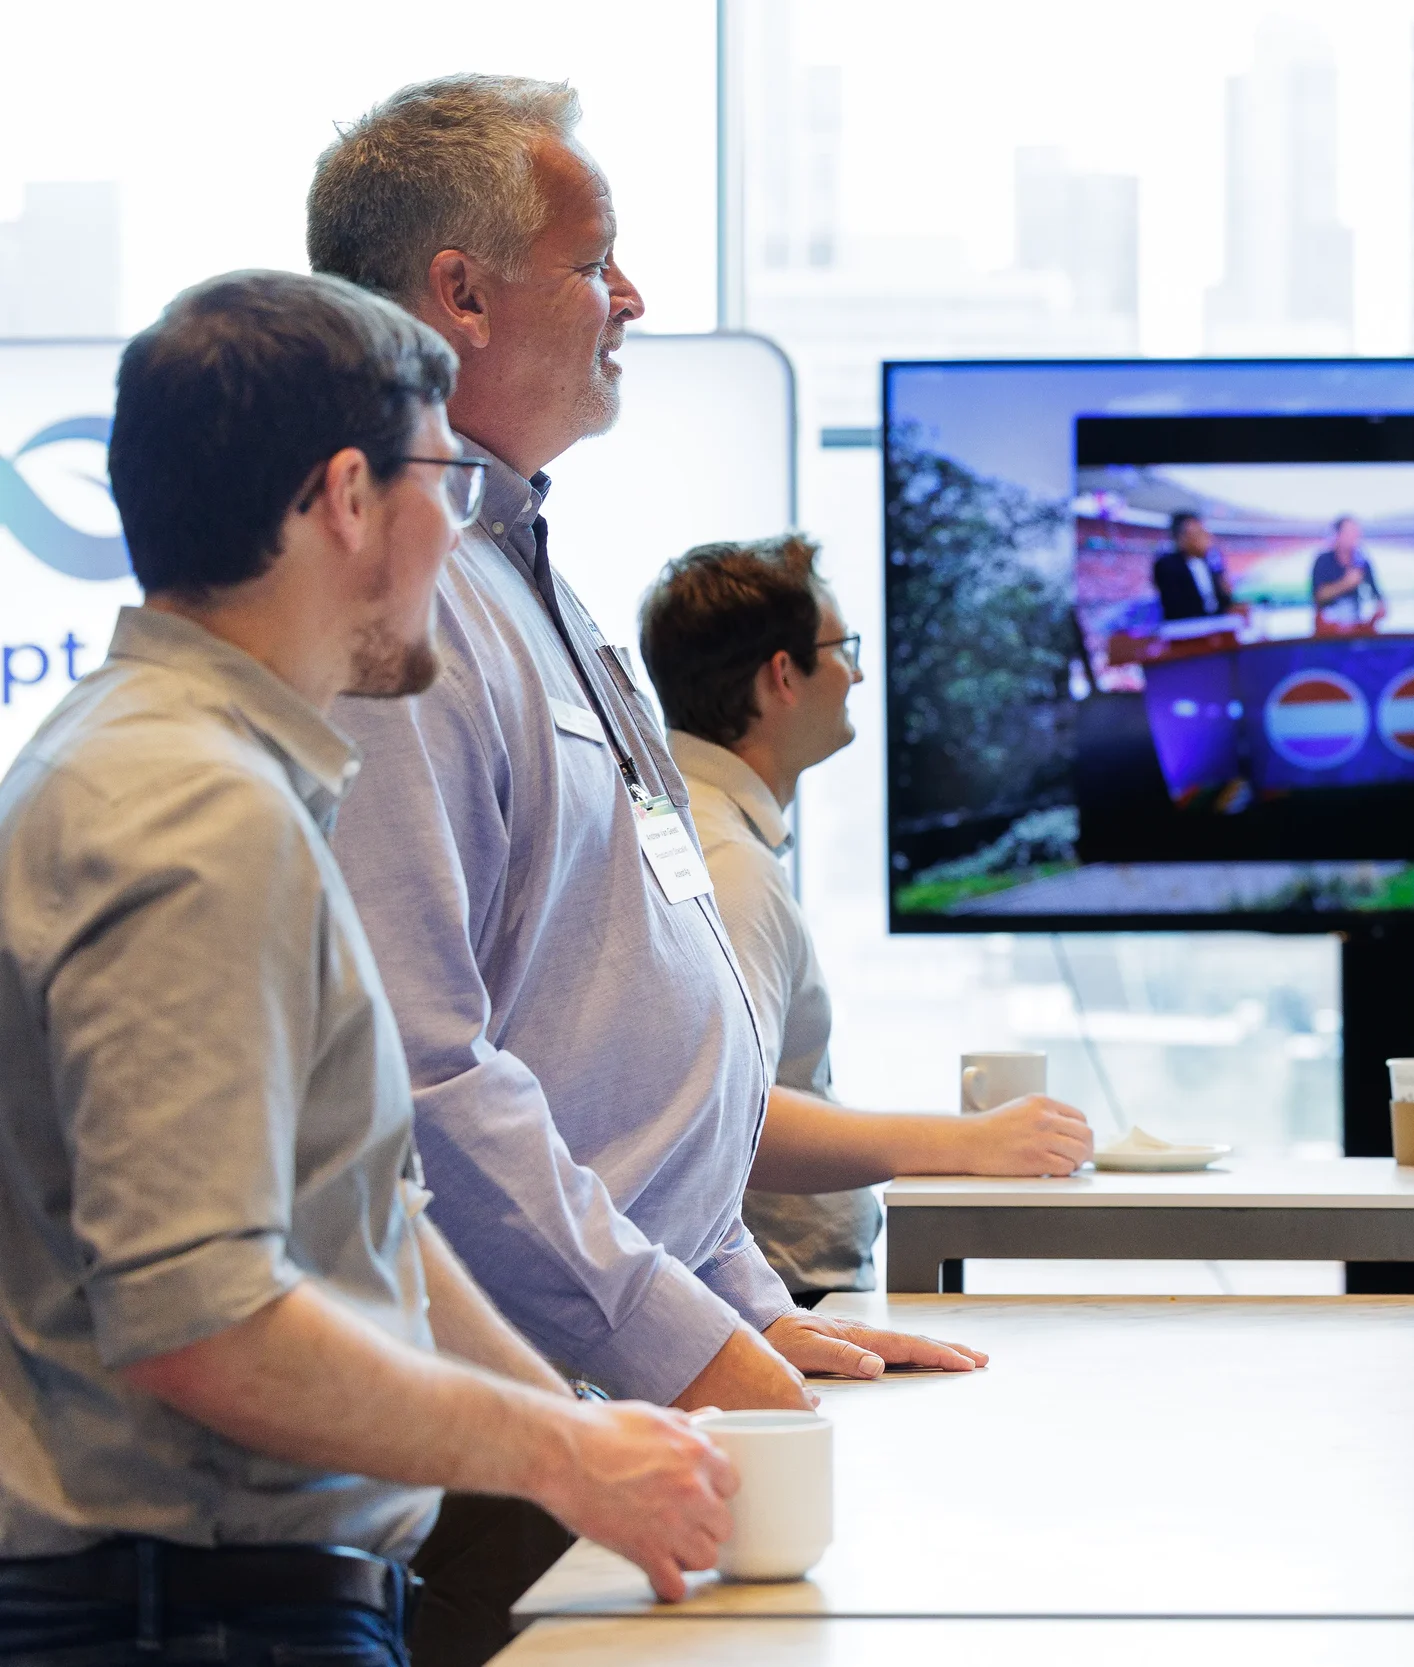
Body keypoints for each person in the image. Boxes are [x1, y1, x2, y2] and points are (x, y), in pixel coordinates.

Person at [306, 75, 981, 1667]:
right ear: (460, 295)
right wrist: (692, 1345)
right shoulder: (393, 612)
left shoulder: (530, 572)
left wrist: (746, 1292)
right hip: (531, 1413)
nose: (635, 299)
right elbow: (428, 1072)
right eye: (596, 258)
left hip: (640, 1364)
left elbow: (621, 1009)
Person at [0, 271, 738, 1665]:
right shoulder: (186, 810)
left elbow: (369, 1215)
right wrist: (564, 1453)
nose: (453, 538)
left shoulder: (208, 773)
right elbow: (203, 1324)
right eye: (445, 485)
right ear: (347, 496)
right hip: (188, 1617)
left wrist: (580, 1445)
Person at [639, 533, 1097, 1302]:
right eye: (842, 646)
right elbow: (728, 1110)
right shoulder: (725, 861)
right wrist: (972, 1142)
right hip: (773, 1303)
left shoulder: (696, 825)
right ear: (783, 675)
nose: (857, 672)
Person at [1152, 510, 1234, 623]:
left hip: (1216, 624)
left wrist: (1227, 594)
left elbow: (1222, 601)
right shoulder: (1166, 565)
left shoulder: (1211, 561)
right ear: (1181, 539)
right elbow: (1175, 608)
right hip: (1187, 629)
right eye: (1199, 533)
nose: (1207, 537)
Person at [1310, 514, 1385, 629]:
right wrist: (1346, 584)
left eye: (1356, 532)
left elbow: (1377, 596)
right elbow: (1318, 596)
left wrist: (1379, 607)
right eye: (1349, 532)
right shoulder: (1322, 560)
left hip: (1356, 622)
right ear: (1337, 535)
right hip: (1328, 629)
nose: (1355, 536)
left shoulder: (1362, 561)